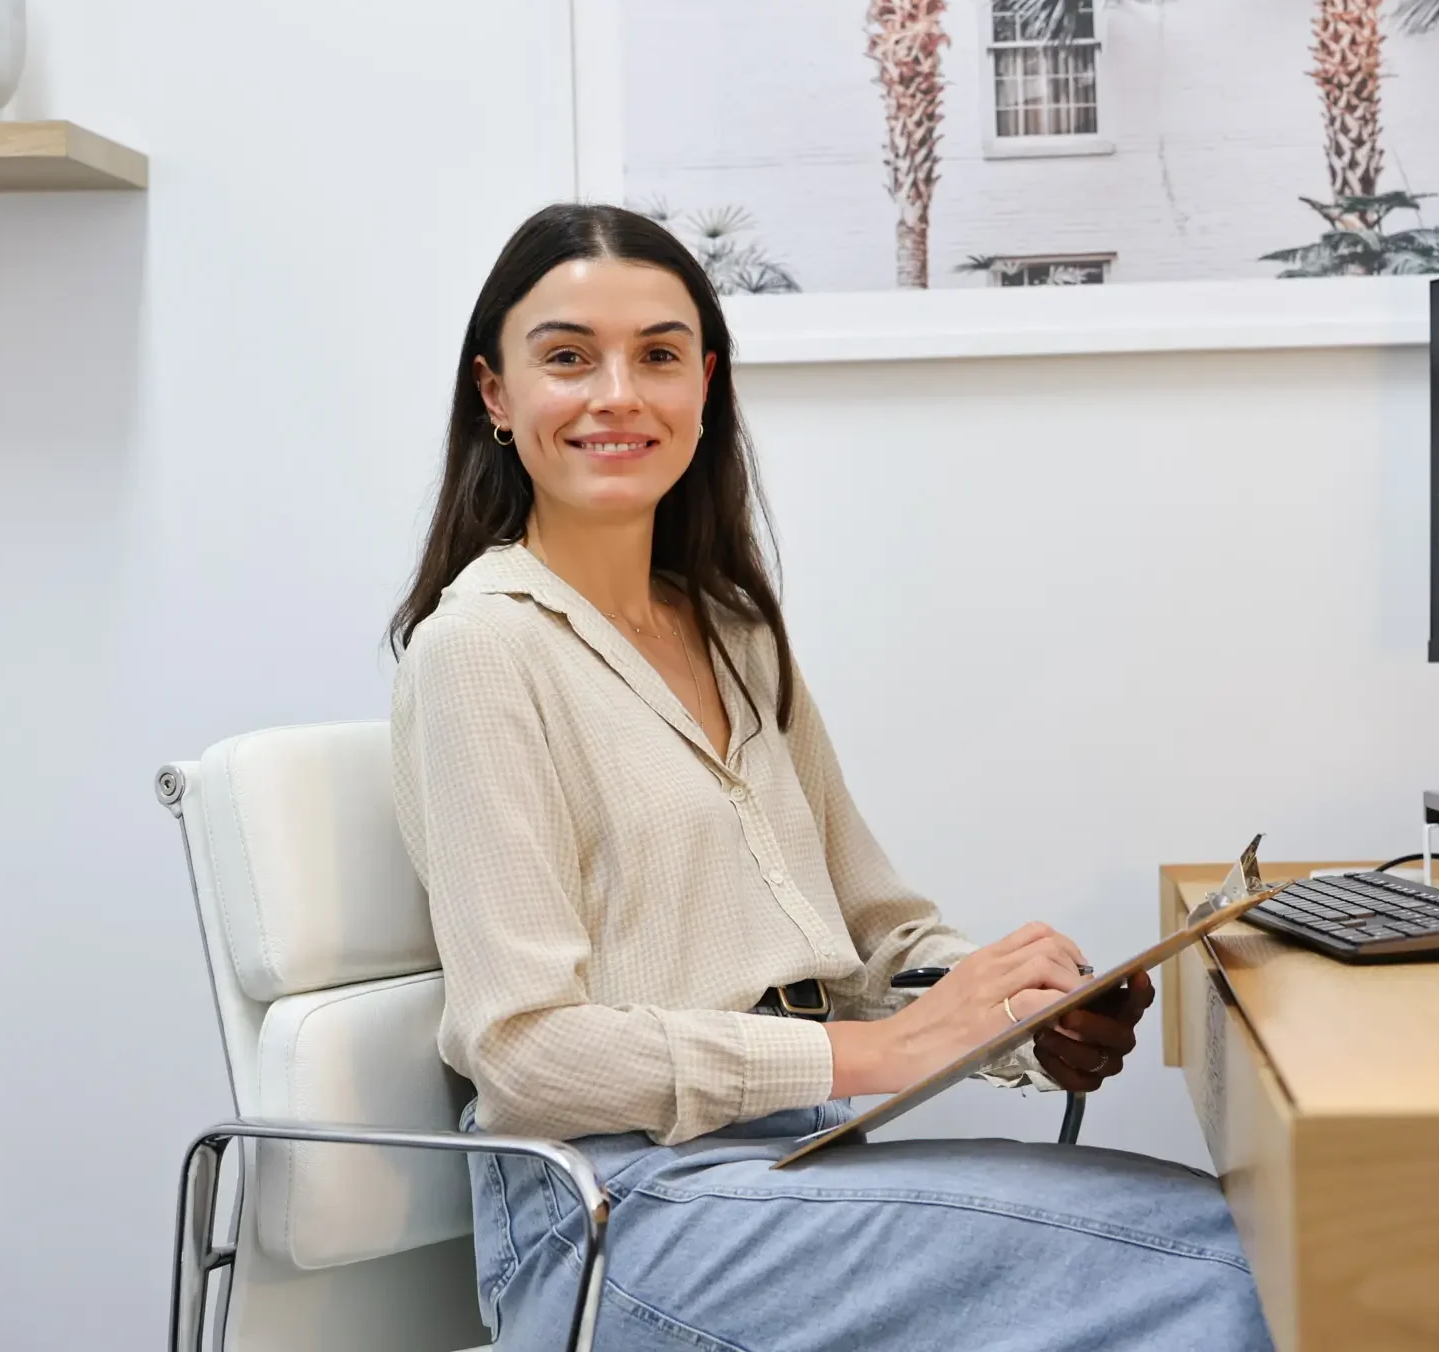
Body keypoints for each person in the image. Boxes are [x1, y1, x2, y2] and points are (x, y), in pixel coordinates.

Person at [387, 203, 1274, 1352]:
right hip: (615, 1221)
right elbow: (527, 1052)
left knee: (1258, 1230)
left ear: (704, 386)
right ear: (497, 397)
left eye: (658, 355)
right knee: (1237, 1271)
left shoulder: (735, 633)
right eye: (567, 357)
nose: (617, 393)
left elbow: (875, 940)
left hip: (792, 1165)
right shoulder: (477, 648)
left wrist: (1010, 1015)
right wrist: (890, 1049)